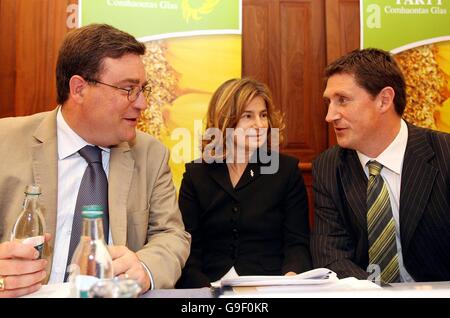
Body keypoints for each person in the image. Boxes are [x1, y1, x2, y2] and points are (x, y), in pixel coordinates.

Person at [0, 24, 191, 297]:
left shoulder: (151, 154)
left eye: (142, 90)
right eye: (128, 89)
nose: (142, 104)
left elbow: (172, 235)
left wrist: (145, 267)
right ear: (78, 89)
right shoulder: (4, 142)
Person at [311, 48, 450, 283]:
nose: (329, 115)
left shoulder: (444, 154)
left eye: (342, 100)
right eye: (329, 102)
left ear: (384, 100)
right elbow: (330, 256)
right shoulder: (329, 167)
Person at [175, 78, 312, 288]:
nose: (259, 125)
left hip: (269, 287)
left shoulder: (286, 171)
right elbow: (188, 249)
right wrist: (205, 292)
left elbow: (297, 244)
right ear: (225, 120)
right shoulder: (196, 175)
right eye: (248, 116)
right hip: (209, 288)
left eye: (263, 115)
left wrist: (290, 282)